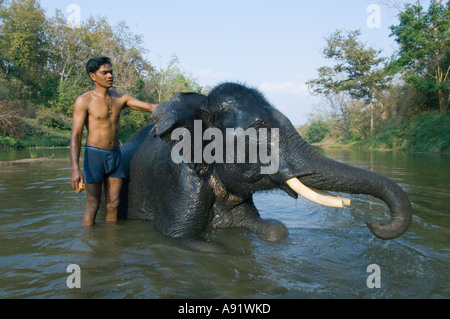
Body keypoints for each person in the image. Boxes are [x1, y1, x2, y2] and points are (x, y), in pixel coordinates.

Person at [70, 57, 158, 226]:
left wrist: (176, 105)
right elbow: (76, 135)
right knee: (93, 205)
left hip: (115, 155)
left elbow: (150, 107)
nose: (110, 76)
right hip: (95, 155)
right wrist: (75, 168)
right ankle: (88, 247)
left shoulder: (120, 99)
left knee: (114, 204)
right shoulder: (84, 100)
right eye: (104, 73)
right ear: (93, 76)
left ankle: (112, 247)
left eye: (111, 72)